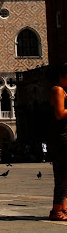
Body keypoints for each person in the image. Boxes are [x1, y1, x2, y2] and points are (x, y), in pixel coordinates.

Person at [49, 64, 67, 221]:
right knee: (62, 175)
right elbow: (60, 114)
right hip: (61, 137)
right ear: (62, 76)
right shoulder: (58, 90)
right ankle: (56, 210)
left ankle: (63, 209)